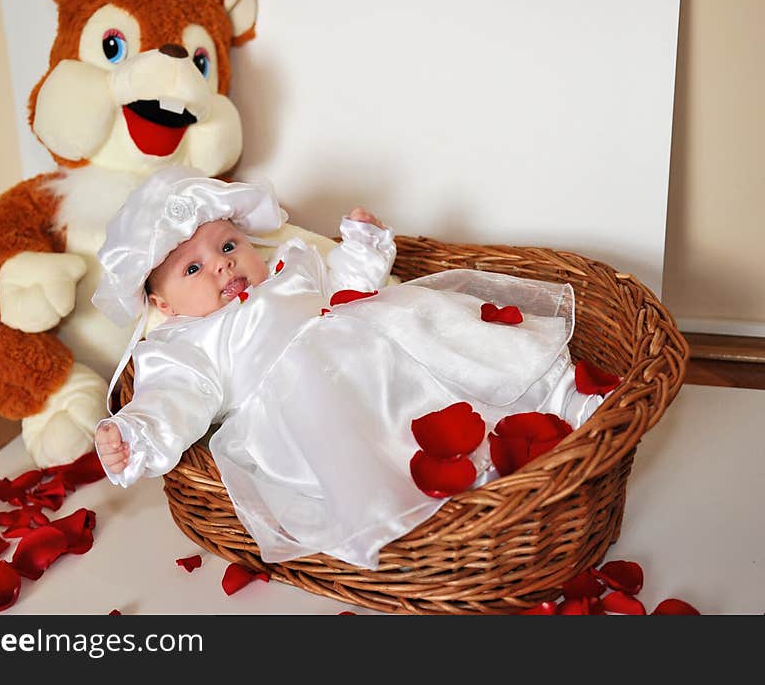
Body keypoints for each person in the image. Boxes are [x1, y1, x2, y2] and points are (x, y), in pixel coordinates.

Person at [91, 166, 602, 570]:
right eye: (193, 268)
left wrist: (362, 247)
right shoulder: (186, 343)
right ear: (163, 304)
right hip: (316, 402)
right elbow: (174, 397)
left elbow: (345, 287)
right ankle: (461, 488)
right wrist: (136, 432)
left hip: (379, 344)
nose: (223, 265)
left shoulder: (290, 269)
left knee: (448, 341)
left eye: (228, 246)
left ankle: (559, 400)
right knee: (385, 440)